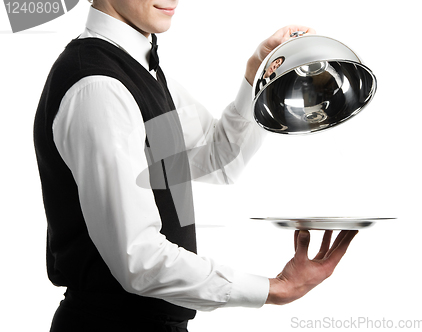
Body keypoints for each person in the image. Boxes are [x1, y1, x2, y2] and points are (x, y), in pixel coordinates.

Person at [33, 1, 358, 331]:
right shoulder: (100, 87)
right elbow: (140, 260)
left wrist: (256, 73)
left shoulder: (139, 69)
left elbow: (219, 159)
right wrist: (275, 288)